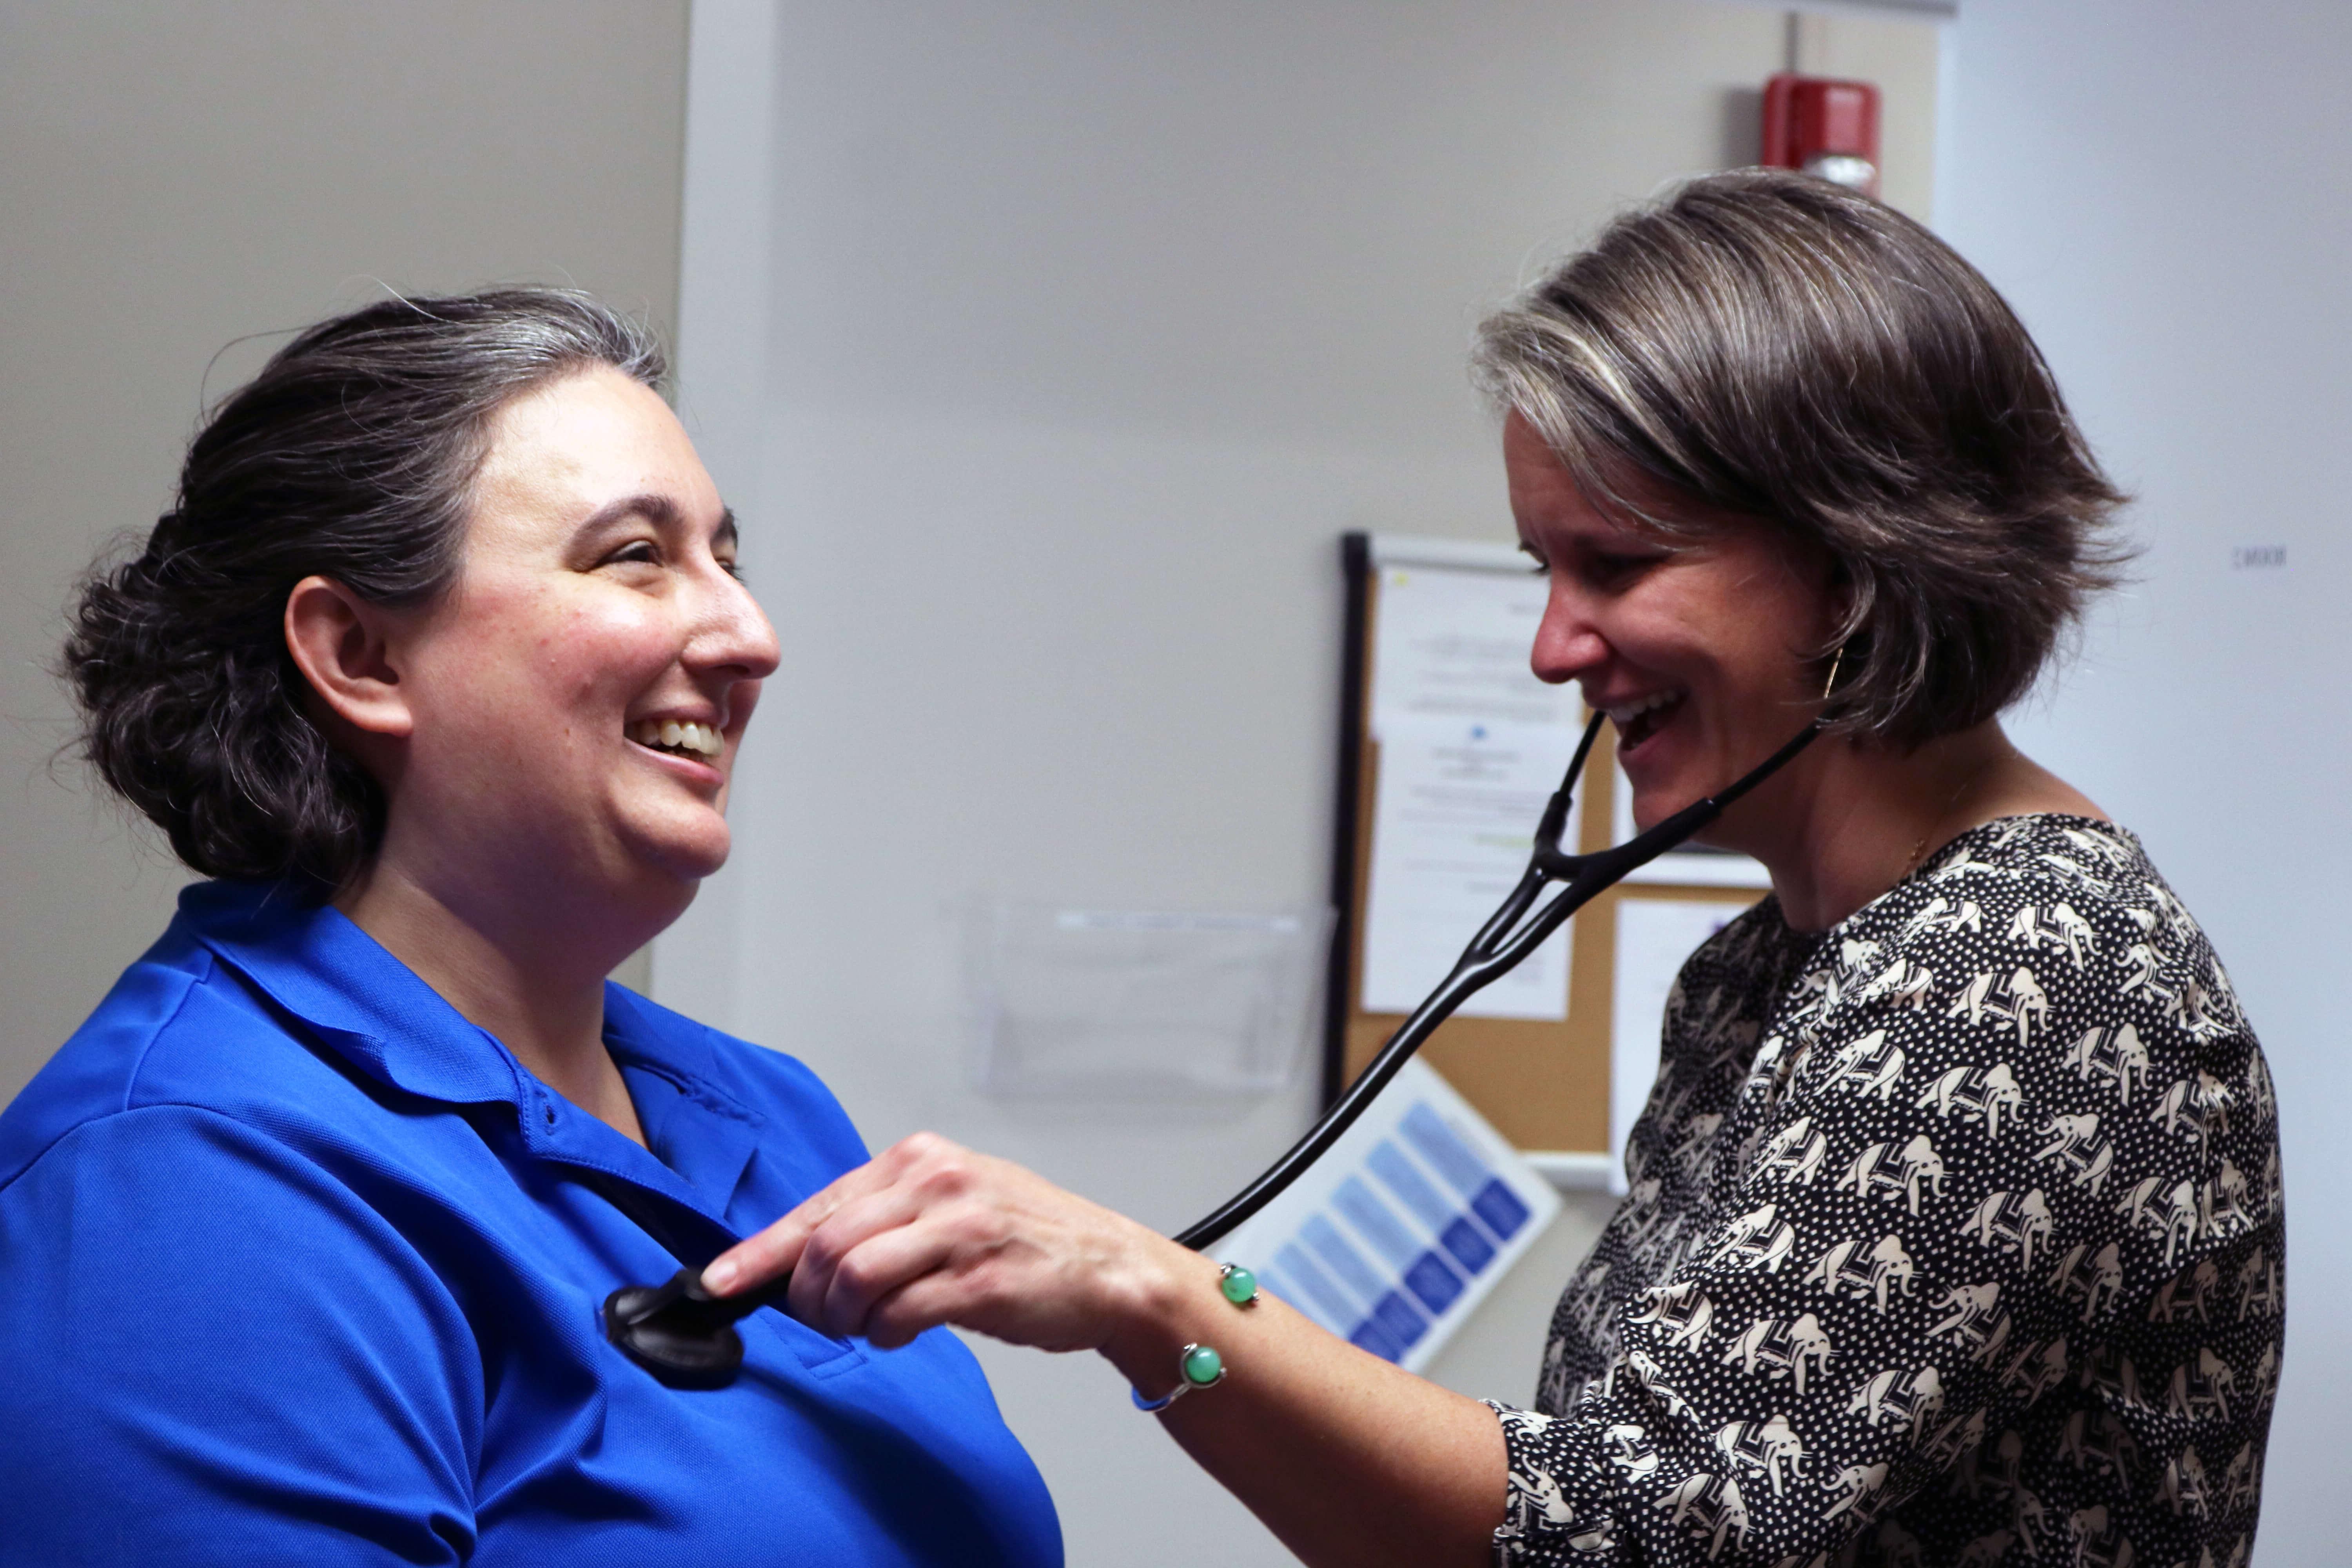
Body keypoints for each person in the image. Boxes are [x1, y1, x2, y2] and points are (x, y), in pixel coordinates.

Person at [696, 172, 2283, 1566]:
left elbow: (1646, 1538)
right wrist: (1155, 1329)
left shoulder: (2024, 967)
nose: (1552, 649)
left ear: (1863, 562)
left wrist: (1143, 1293)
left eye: (1618, 565)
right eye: (1545, 569)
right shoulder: (1762, 972)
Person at [0, 291, 1061, 1564]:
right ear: (361, 656)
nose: (750, 636)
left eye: (730, 557)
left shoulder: (769, 1116)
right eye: (635, 556)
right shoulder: (182, 1191)